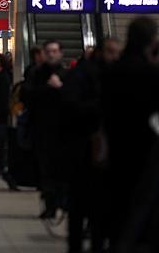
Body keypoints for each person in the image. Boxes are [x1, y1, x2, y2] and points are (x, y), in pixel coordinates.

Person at [102, 18, 159, 248]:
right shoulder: (150, 74)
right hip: (145, 150)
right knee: (142, 205)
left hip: (116, 146)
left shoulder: (113, 71)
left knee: (118, 205)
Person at [62, 38, 120, 253]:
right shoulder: (84, 76)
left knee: (99, 208)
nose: (114, 57)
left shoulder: (115, 75)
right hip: (82, 150)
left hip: (103, 152)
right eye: (111, 52)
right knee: (80, 205)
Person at [23, 39, 67, 219]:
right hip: (41, 128)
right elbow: (27, 96)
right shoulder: (36, 73)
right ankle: (49, 204)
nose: (51, 54)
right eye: (48, 51)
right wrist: (48, 89)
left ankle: (60, 201)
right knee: (45, 169)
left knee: (59, 169)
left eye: (54, 51)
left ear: (60, 53)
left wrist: (60, 88)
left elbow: (72, 99)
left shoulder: (66, 74)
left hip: (62, 130)